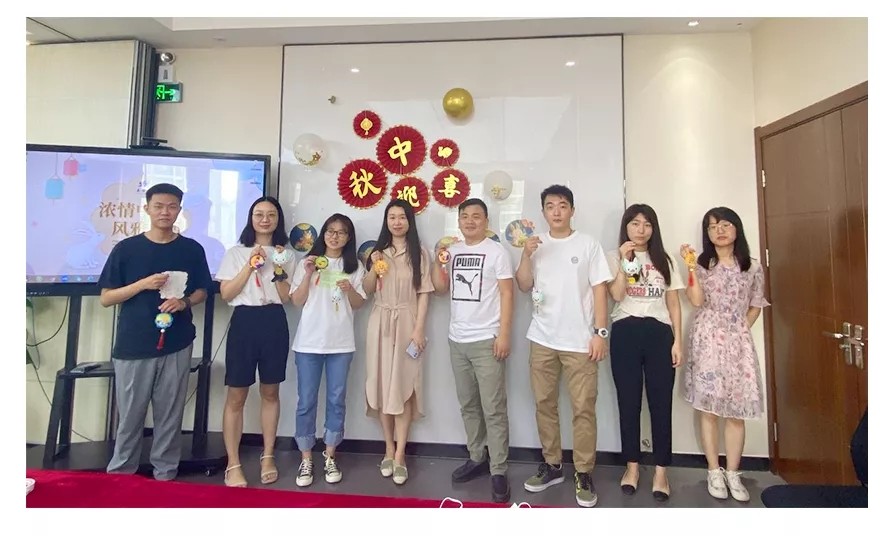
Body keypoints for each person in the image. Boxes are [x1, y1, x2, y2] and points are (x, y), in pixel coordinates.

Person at [98, 183, 212, 481]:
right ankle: (121, 475)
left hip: (177, 343)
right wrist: (142, 285)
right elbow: (106, 298)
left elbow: (202, 291)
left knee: (170, 415)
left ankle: (165, 474)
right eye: (159, 206)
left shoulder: (191, 249)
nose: (165, 212)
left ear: (179, 210)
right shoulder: (127, 249)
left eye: (172, 206)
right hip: (134, 345)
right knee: (130, 417)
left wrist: (184, 302)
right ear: (147, 208)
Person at [514, 184, 612, 508]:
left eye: (562, 205)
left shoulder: (588, 244)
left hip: (580, 341)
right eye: (550, 206)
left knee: (583, 408)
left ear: (572, 210)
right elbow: (524, 285)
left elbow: (600, 290)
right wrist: (525, 255)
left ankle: (583, 472)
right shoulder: (536, 245)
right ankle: (553, 465)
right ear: (543, 211)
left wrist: (600, 333)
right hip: (542, 338)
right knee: (544, 403)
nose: (556, 211)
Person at [681, 206, 769, 502]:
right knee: (709, 409)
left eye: (725, 225)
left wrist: (741, 328)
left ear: (736, 229)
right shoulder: (702, 264)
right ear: (707, 233)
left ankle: (733, 472)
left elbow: (756, 303)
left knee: (736, 409)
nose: (719, 231)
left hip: (738, 342)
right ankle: (713, 470)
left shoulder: (752, 266)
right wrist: (690, 268)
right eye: (712, 226)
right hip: (706, 338)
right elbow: (696, 301)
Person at [431, 198, 514, 504]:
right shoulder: (452, 251)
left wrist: (503, 335)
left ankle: (499, 469)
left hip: (486, 340)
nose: (469, 221)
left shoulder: (497, 252)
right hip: (457, 340)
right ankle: (477, 457)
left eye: (476, 216)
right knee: (468, 405)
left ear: (486, 221)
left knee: (493, 408)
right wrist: (439, 264)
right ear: (459, 221)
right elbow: (441, 289)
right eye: (464, 216)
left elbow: (507, 294)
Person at [215, 196, 297, 487]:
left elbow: (286, 297)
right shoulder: (235, 252)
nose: (265, 219)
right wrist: (250, 266)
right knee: (236, 394)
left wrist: (278, 268)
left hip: (274, 320)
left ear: (278, 220)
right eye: (259, 214)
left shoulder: (287, 255)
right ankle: (233, 463)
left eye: (271, 214)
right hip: (244, 321)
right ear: (251, 218)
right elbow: (226, 294)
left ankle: (268, 455)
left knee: (271, 391)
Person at [606, 204, 683, 501]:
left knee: (661, 404)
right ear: (626, 226)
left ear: (654, 228)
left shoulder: (665, 259)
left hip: (659, 333)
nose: (641, 229)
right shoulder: (614, 256)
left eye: (647, 224)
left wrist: (678, 341)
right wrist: (624, 261)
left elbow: (674, 303)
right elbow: (616, 295)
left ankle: (661, 471)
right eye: (635, 223)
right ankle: (632, 467)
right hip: (625, 332)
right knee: (628, 402)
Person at [290, 213, 367, 487]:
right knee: (306, 401)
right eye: (330, 231)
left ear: (348, 237)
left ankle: (330, 454)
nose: (335, 236)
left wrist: (349, 290)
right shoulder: (308, 262)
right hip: (308, 343)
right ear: (323, 234)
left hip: (341, 343)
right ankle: (306, 458)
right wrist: (308, 274)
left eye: (341, 232)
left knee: (336, 399)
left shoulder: (354, 266)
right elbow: (297, 300)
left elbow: (359, 304)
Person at [362, 199, 434, 485]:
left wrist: (419, 329)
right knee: (381, 385)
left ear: (409, 221)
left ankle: (401, 454)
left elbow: (424, 293)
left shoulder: (420, 253)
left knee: (404, 386)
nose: (396, 222)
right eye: (391, 217)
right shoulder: (377, 252)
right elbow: (367, 289)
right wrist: (373, 267)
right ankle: (388, 449)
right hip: (379, 322)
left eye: (402, 217)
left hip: (407, 322)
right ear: (386, 221)